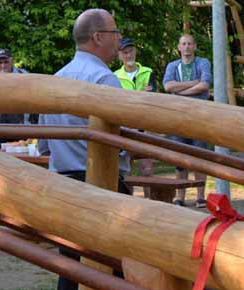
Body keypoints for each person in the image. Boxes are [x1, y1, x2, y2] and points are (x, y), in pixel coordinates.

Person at [43, 9, 132, 290]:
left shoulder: (56, 80)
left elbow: (45, 143)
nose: (119, 39)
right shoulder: (104, 81)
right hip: (101, 187)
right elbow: (119, 143)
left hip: (62, 186)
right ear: (98, 37)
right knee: (116, 266)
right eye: (115, 32)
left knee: (70, 265)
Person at [162, 34, 213, 208]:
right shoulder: (172, 66)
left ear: (195, 46)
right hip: (178, 117)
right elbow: (167, 86)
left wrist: (180, 92)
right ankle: (180, 196)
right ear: (179, 47)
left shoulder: (203, 63)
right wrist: (193, 84)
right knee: (179, 157)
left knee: (200, 155)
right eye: (183, 43)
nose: (187, 47)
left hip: (200, 116)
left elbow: (204, 85)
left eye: (190, 43)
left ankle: (200, 196)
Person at [112, 38, 157, 176]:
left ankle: (148, 198)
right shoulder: (114, 76)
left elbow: (153, 97)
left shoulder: (148, 72)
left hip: (147, 122)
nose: (129, 55)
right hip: (126, 124)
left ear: (135, 52)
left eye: (131, 51)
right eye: (125, 52)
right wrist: (140, 95)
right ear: (119, 56)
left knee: (147, 168)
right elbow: (116, 102)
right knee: (126, 168)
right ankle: (128, 197)